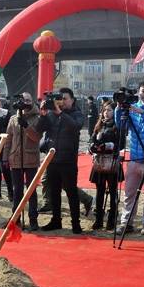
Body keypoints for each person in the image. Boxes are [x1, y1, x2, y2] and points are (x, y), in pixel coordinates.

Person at [37, 87, 85, 233]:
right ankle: (56, 220)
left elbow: (75, 127)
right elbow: (40, 128)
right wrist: (43, 115)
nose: (62, 101)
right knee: (54, 192)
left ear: (72, 100)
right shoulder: (51, 114)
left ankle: (75, 223)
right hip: (52, 159)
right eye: (60, 99)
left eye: (65, 99)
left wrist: (60, 113)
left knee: (71, 193)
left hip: (68, 160)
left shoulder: (77, 114)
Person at [114, 81, 144, 235]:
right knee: (129, 193)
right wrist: (119, 109)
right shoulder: (131, 108)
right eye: (142, 91)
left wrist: (142, 113)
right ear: (138, 92)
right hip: (134, 157)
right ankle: (126, 223)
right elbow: (121, 126)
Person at [6, 92, 43, 230]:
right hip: (15, 158)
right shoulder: (13, 118)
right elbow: (8, 139)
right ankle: (15, 219)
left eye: (28, 100)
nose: (25, 102)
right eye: (23, 100)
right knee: (17, 191)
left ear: (32, 101)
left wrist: (26, 126)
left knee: (31, 190)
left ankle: (33, 219)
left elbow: (37, 137)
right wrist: (5, 157)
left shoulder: (37, 118)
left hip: (31, 158)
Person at [89, 101, 123, 231]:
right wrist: (92, 147)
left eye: (109, 110)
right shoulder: (99, 125)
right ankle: (98, 219)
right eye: (104, 110)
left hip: (112, 161)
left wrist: (110, 146)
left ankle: (112, 219)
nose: (106, 113)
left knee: (113, 192)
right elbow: (91, 140)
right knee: (100, 192)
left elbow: (121, 143)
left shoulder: (117, 126)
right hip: (99, 162)